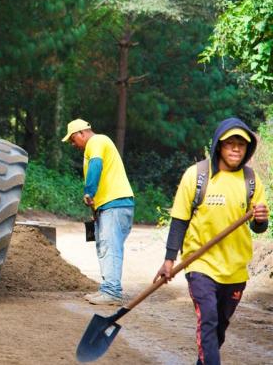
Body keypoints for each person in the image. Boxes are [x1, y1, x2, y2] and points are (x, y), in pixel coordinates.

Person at [155, 118, 269, 365]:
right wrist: (169, 259)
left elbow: (259, 227)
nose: (236, 149)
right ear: (219, 145)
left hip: (235, 269)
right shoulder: (196, 176)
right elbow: (179, 220)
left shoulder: (251, 181)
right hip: (201, 265)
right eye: (230, 143)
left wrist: (261, 219)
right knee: (208, 320)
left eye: (241, 144)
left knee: (217, 331)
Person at [62, 118, 135, 305]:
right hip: (108, 205)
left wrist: (89, 191)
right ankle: (107, 289)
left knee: (110, 247)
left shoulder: (96, 141)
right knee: (104, 246)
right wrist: (95, 209)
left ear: (81, 133)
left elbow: (96, 165)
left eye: (72, 139)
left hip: (116, 204)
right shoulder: (98, 144)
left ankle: (112, 292)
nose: (72, 144)